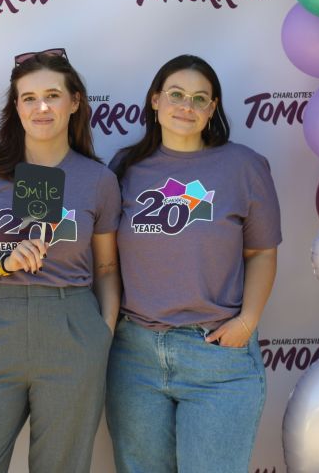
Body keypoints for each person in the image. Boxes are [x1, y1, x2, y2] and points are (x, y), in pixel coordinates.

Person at [0, 49, 121, 473]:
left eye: (53, 95)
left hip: (74, 328)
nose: (41, 107)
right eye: (28, 97)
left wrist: (102, 333)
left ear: (74, 102)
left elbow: (107, 269)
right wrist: (3, 263)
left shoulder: (99, 180)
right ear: (16, 106)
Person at [105, 54, 281, 473]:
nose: (187, 106)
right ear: (154, 100)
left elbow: (262, 254)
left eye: (200, 99)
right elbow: (105, 264)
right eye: (177, 94)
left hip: (217, 357)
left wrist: (248, 321)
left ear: (212, 109)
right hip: (135, 358)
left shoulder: (244, 167)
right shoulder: (125, 168)